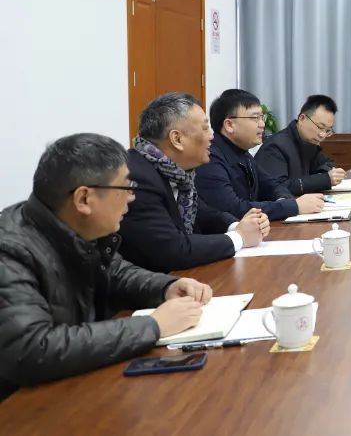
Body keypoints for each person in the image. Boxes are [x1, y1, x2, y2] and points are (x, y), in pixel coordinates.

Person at [0, 133, 212, 400]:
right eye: (125, 187)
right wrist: (153, 326)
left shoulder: (71, 223)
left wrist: (167, 287)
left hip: (77, 383)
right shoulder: (10, 251)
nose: (131, 198)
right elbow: (32, 350)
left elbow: (117, 272)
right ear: (84, 199)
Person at [119, 92, 270, 273]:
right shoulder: (136, 178)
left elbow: (203, 213)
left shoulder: (175, 172)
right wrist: (240, 237)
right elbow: (172, 250)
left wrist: (239, 226)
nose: (212, 136)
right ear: (177, 139)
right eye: (205, 128)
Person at [195, 89, 324, 221]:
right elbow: (234, 209)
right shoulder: (210, 159)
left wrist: (284, 200)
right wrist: (293, 206)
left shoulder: (243, 153)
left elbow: (272, 186)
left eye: (262, 117)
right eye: (255, 118)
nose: (262, 124)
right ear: (229, 125)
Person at [256, 94, 346, 196]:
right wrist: (323, 179)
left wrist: (326, 175)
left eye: (328, 130)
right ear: (302, 118)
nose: (323, 135)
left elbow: (327, 164)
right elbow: (276, 188)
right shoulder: (275, 146)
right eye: (320, 127)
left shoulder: (309, 142)